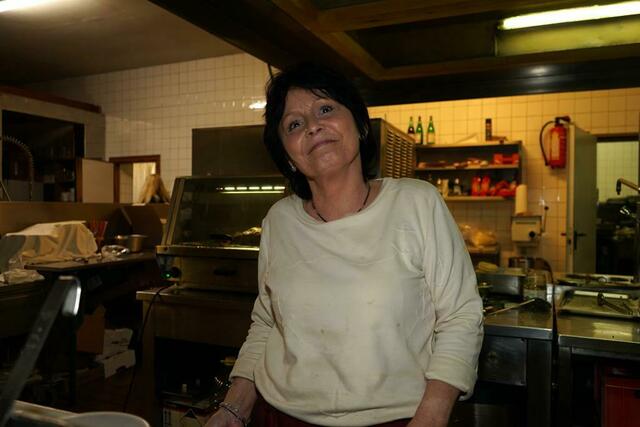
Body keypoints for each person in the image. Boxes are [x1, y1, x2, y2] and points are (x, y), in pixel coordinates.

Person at [206, 63, 483, 427]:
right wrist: (234, 408)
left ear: (360, 125)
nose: (312, 126)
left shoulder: (417, 202)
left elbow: (461, 316)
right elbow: (267, 322)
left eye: (325, 109)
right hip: (279, 417)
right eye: (294, 124)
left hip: (397, 419)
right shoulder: (279, 220)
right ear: (288, 156)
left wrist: (431, 416)